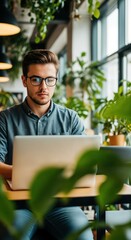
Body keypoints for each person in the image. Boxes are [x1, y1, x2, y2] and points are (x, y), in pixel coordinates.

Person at [0, 49, 94, 240]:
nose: (44, 86)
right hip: (20, 205)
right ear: (24, 80)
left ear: (56, 80)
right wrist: (31, 175)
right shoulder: (5, 119)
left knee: (83, 237)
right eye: (36, 79)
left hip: (61, 203)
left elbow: (85, 163)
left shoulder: (70, 118)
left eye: (50, 79)